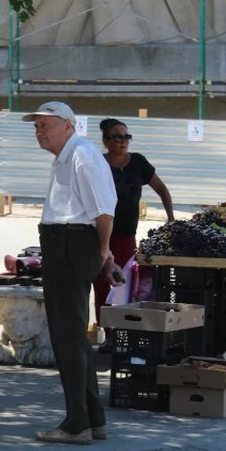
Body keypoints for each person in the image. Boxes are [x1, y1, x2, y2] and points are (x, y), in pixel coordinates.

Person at [22, 101, 122, 445]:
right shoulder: (69, 156)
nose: (39, 130)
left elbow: (103, 213)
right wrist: (103, 255)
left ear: (69, 125)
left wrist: (104, 252)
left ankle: (77, 423)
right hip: (66, 244)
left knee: (68, 337)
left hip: (71, 245)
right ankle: (92, 418)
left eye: (46, 124)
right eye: (37, 125)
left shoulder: (82, 155)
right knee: (72, 336)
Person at [93, 118, 175, 335]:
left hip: (126, 236)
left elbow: (161, 189)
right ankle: (108, 335)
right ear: (105, 140)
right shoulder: (97, 164)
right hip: (99, 236)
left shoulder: (138, 162)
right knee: (101, 286)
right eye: (117, 137)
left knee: (125, 285)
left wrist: (170, 217)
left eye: (126, 137)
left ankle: (125, 333)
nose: (123, 141)